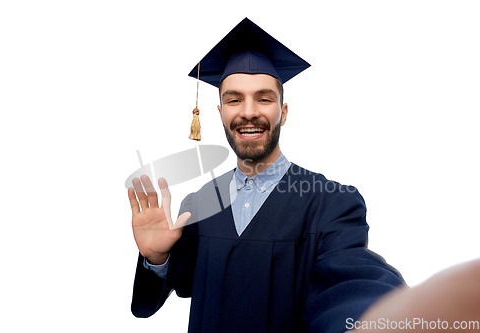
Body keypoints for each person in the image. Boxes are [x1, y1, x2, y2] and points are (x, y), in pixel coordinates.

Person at [127, 18, 405, 332]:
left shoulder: (330, 203)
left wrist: (378, 319)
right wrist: (158, 258)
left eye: (264, 98)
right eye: (234, 100)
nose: (248, 112)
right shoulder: (202, 202)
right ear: (220, 113)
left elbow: (352, 279)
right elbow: (184, 284)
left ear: (282, 113)